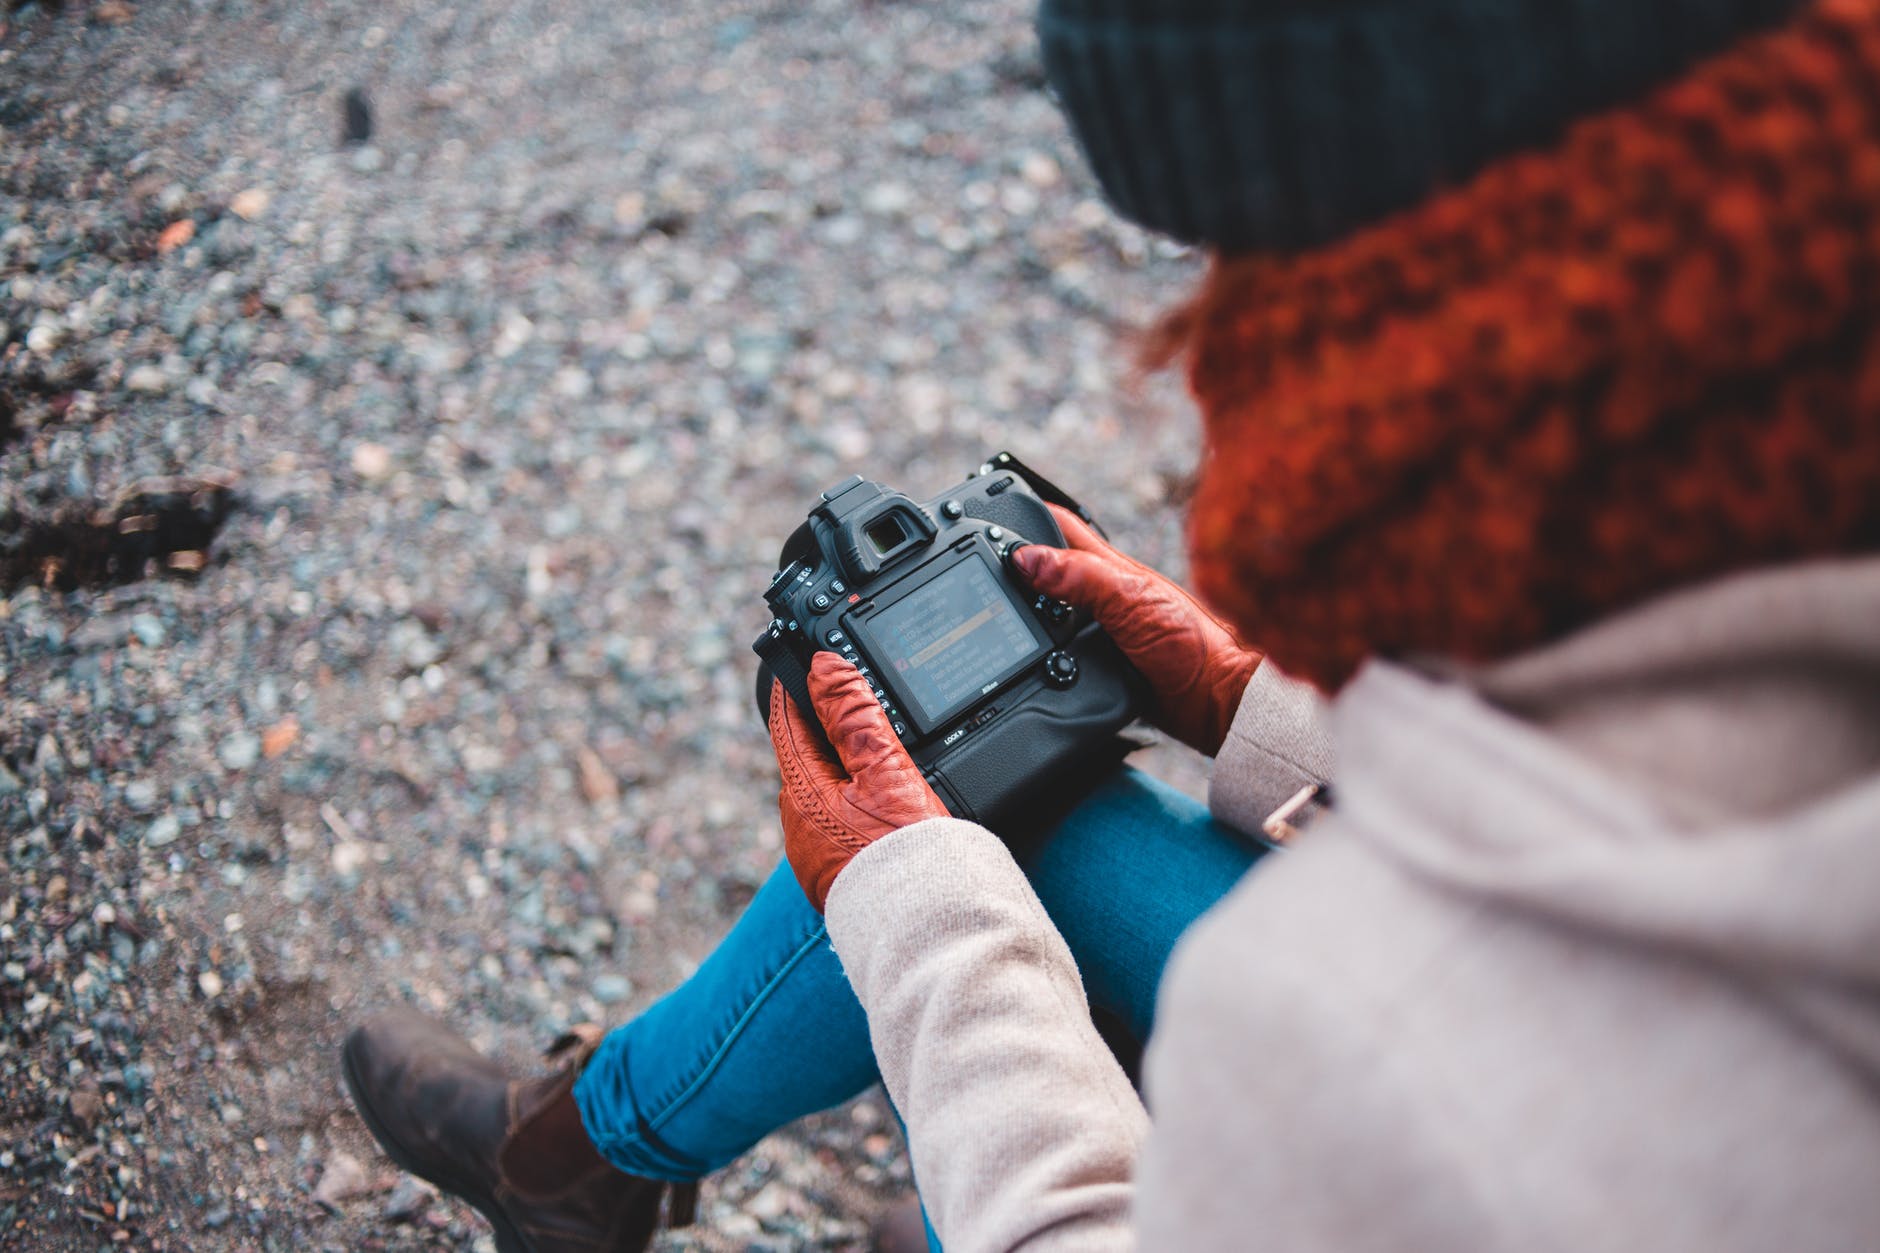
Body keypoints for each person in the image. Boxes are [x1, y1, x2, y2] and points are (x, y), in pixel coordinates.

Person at [342, 0, 1880, 1248]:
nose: (1209, 353)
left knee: (951, 835)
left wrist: (924, 921)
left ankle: (598, 1157)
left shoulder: (1360, 1031)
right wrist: (1240, 703)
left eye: (1235, 264)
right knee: (1022, 800)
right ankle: (595, 1154)